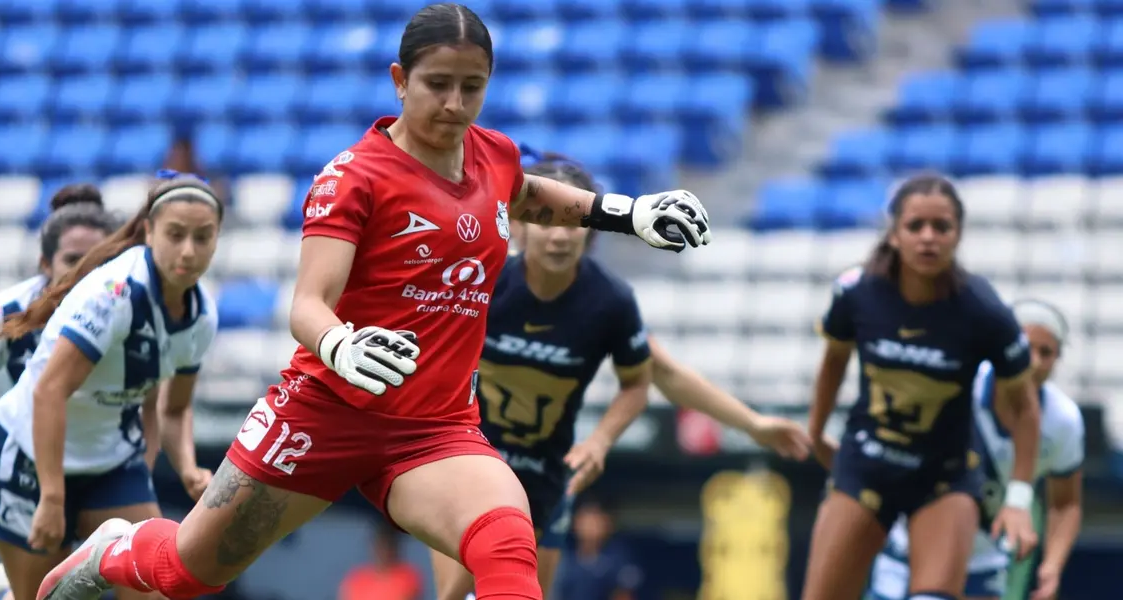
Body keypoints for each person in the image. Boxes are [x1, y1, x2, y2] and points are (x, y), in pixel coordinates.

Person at [37, 4, 712, 600]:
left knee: (508, 543)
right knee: (189, 574)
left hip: (433, 429)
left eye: (471, 87)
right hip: (326, 414)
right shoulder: (353, 178)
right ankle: (116, 550)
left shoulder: (490, 155)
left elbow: (527, 190)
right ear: (399, 80)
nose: (454, 103)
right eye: (436, 85)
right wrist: (341, 344)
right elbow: (307, 304)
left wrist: (627, 212)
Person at [433, 147, 810, 600]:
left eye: (570, 221)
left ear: (591, 226)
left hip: (548, 477)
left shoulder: (608, 302)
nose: (558, 236)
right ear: (516, 225)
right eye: (544, 220)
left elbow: (652, 377)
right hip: (469, 463)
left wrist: (602, 440)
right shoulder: (484, 284)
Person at [0, 172, 221, 600]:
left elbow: (175, 409)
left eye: (203, 237)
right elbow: (49, 391)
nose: (188, 250)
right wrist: (52, 497)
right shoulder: (115, 293)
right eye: (176, 234)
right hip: (30, 464)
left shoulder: (201, 316)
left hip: (108, 464)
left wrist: (187, 468)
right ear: (149, 231)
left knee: (159, 585)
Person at [803, 173, 1042, 600]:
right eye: (916, 226)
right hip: (866, 464)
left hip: (943, 476)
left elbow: (1025, 407)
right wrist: (816, 430)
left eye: (942, 227)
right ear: (894, 234)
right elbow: (833, 361)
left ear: (958, 235)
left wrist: (1019, 499)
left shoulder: (984, 310)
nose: (928, 238)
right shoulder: (857, 293)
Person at [0, 185, 120, 600]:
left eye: (97, 261)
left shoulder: (126, 314)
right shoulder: (8, 310)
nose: (83, 273)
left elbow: (149, 406)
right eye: (71, 261)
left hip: (77, 472)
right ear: (44, 263)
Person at [867, 300, 1084, 600]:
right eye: (1024, 346)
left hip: (985, 560)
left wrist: (1052, 565)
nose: (1032, 362)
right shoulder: (957, 384)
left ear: (1058, 358)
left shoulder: (1064, 422)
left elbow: (1065, 503)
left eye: (1045, 353)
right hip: (909, 547)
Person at [555, 495, 641, 600]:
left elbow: (624, 594)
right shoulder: (563, 556)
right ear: (575, 523)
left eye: (596, 520)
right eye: (585, 520)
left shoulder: (618, 557)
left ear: (608, 523)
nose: (590, 526)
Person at [339, 522, 424, 600]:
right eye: (380, 546)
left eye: (387, 546)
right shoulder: (356, 578)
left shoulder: (408, 576)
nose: (383, 551)